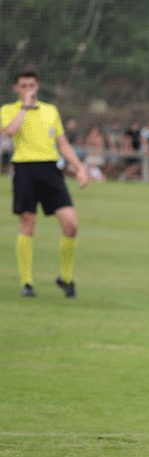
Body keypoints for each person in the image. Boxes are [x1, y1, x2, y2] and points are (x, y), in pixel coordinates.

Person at [2, 69, 90, 298]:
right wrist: (24, 107)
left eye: (31, 85)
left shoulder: (50, 110)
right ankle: (27, 283)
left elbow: (63, 144)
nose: (28, 89)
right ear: (16, 88)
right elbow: (9, 132)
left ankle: (66, 278)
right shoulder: (9, 110)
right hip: (24, 169)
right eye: (23, 85)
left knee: (71, 224)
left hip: (50, 170)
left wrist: (80, 168)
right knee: (28, 224)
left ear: (38, 86)